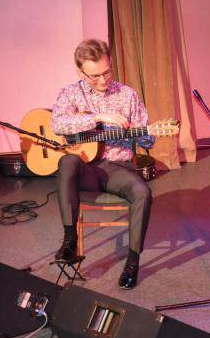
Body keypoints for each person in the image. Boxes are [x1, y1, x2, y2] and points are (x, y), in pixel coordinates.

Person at [51, 39, 154, 290]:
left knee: (143, 192)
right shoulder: (70, 93)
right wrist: (96, 117)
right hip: (85, 168)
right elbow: (58, 124)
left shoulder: (127, 95)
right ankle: (70, 239)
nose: (103, 79)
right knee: (67, 161)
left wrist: (136, 132)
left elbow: (149, 141)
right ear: (81, 72)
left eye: (107, 71)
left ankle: (132, 261)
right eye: (95, 75)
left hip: (117, 168)